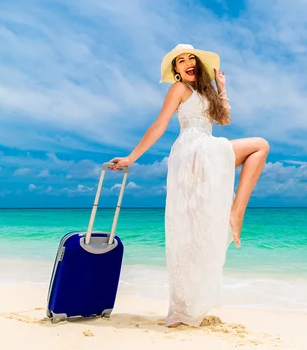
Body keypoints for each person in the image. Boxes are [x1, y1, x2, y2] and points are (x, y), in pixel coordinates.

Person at [108, 44, 269, 327]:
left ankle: (187, 306)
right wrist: (132, 157)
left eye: (191, 59)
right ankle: (236, 213)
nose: (187, 63)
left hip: (206, 148)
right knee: (259, 146)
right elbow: (159, 125)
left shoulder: (205, 93)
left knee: (197, 228)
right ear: (176, 71)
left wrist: (221, 88)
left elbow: (225, 119)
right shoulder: (179, 89)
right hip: (192, 150)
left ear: (198, 65)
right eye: (181, 61)